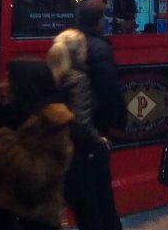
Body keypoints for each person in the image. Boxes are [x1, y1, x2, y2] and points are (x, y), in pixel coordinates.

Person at [0, 56, 73, 230]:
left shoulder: (52, 125)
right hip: (2, 217)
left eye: (9, 79)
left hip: (31, 221)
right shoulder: (4, 115)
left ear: (24, 85)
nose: (2, 85)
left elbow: (34, 176)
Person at [47, 28, 111, 230]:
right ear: (79, 52)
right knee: (90, 216)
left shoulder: (53, 75)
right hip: (77, 157)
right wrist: (100, 144)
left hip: (55, 154)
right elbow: (80, 123)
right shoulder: (78, 79)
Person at [78, 0, 128, 230]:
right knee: (101, 190)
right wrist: (115, 121)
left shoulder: (70, 43)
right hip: (96, 127)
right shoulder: (99, 47)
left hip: (76, 127)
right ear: (98, 21)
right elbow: (108, 89)